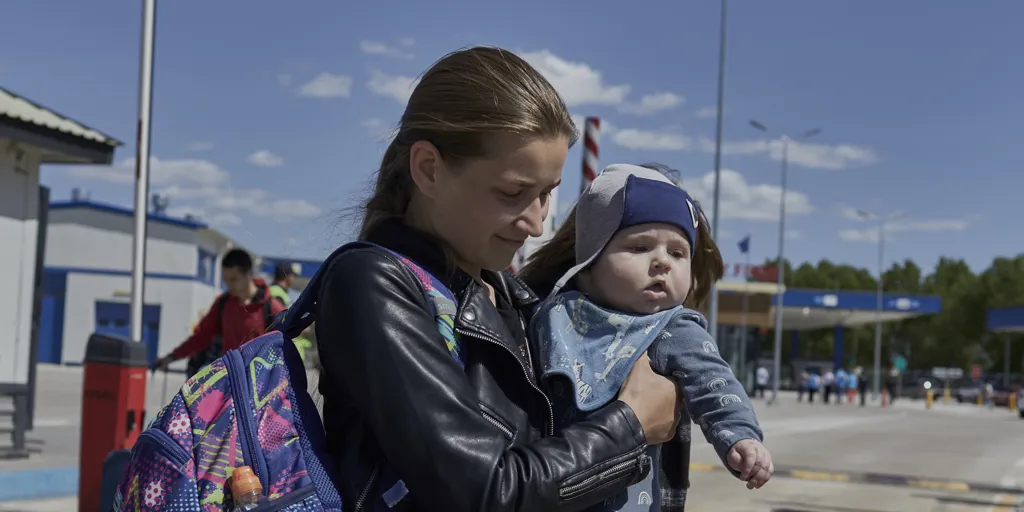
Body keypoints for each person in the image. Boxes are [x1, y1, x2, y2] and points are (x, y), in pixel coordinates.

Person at [313, 46, 681, 511]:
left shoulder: (511, 295)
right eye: (513, 193)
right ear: (429, 169)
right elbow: (484, 491)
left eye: (547, 194)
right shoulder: (371, 285)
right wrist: (630, 425)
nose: (536, 223)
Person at [520, 164, 772, 511]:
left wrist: (740, 437)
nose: (662, 262)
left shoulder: (673, 327)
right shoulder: (546, 313)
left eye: (678, 253)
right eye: (640, 248)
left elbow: (715, 384)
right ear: (589, 265)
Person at [154, 249, 287, 370]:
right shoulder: (223, 304)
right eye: (225, 280)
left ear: (249, 274)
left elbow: (289, 336)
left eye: (234, 279)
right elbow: (201, 337)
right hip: (231, 378)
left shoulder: (270, 306)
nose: (229, 285)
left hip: (261, 383)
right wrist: (172, 357)